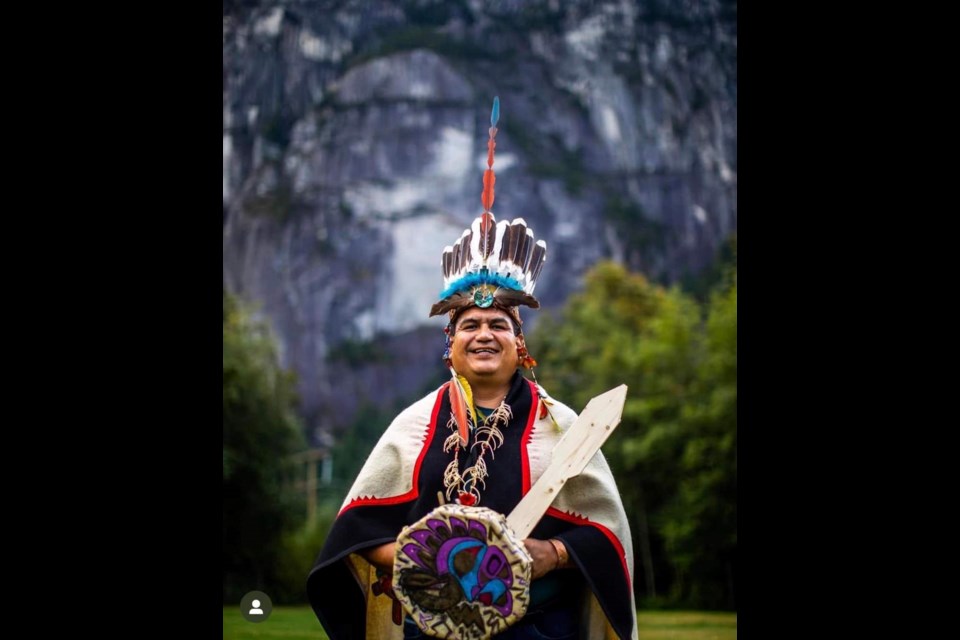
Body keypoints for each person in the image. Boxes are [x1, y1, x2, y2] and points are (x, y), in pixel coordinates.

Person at [307, 99, 637, 639]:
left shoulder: (564, 426)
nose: (484, 333)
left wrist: (550, 554)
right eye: (470, 325)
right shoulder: (414, 426)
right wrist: (428, 561)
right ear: (451, 344)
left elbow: (608, 534)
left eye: (498, 325)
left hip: (540, 628)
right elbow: (357, 530)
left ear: (518, 342)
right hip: (430, 629)